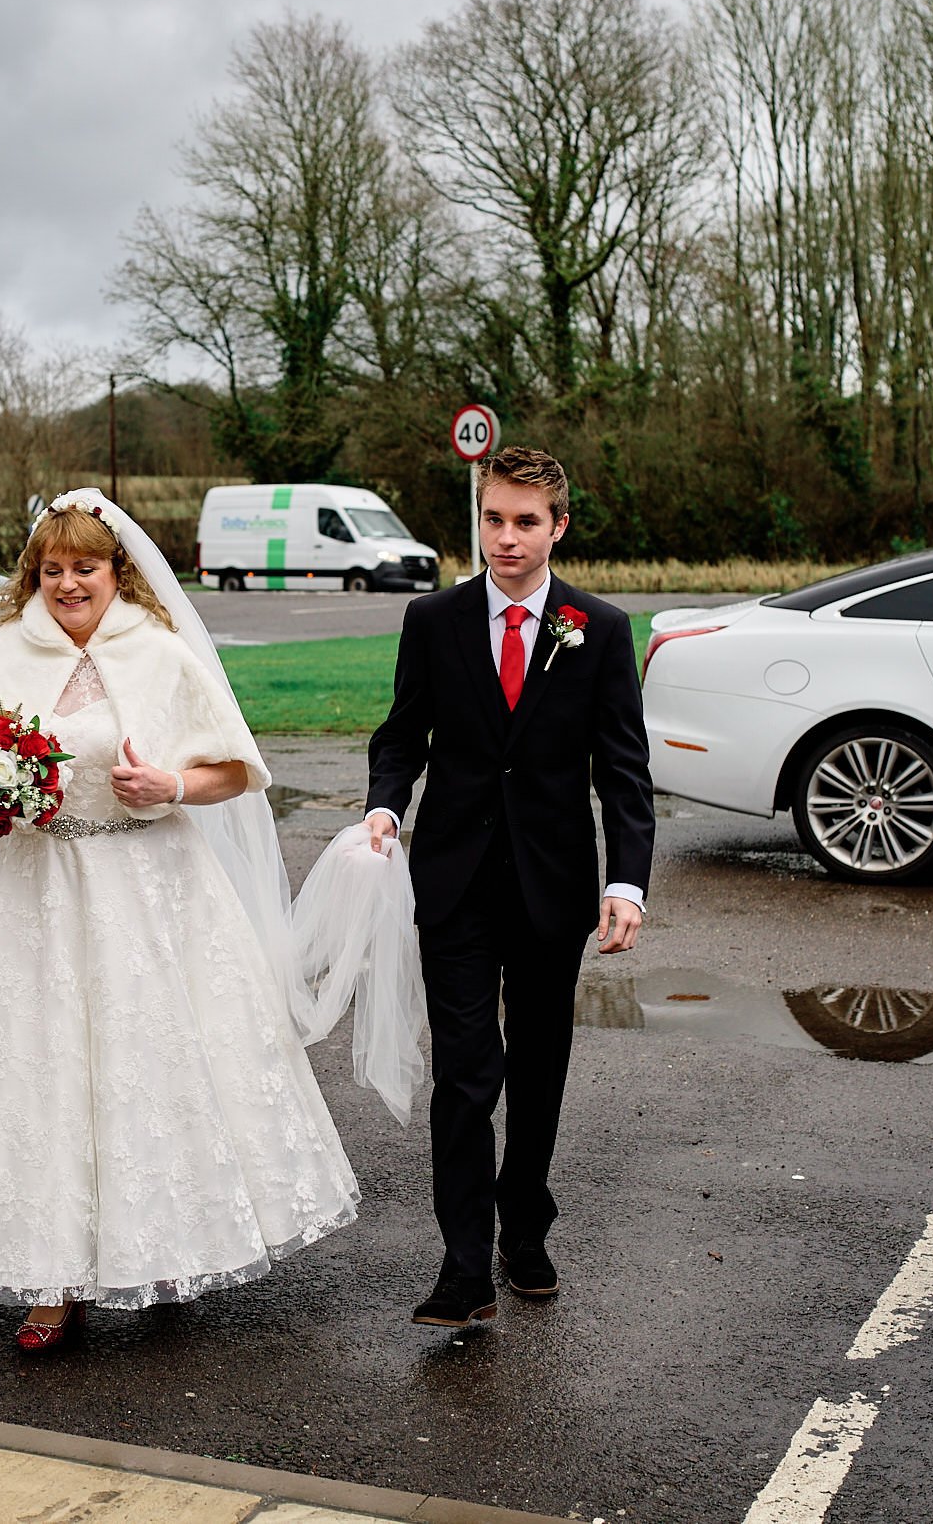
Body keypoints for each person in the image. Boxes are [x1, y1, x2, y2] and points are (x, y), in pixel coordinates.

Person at [0, 490, 359, 1349]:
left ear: (119, 573)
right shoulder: (7, 653)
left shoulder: (160, 655)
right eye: (53, 569)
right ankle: (50, 1280)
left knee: (152, 1068)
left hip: (151, 889)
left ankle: (168, 1244)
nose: (69, 583)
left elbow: (238, 768)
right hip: (36, 894)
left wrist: (172, 787)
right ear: (32, 577)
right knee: (41, 1075)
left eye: (86, 566)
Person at [363, 446, 655, 1327]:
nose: (507, 536)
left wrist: (627, 882)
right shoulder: (433, 619)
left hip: (552, 885)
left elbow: (625, 772)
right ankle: (463, 1266)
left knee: (537, 1067)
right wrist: (383, 805)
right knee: (464, 1074)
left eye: (526, 521)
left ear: (558, 526)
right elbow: (401, 734)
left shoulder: (597, 629)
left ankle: (524, 1221)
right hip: (451, 881)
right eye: (494, 517)